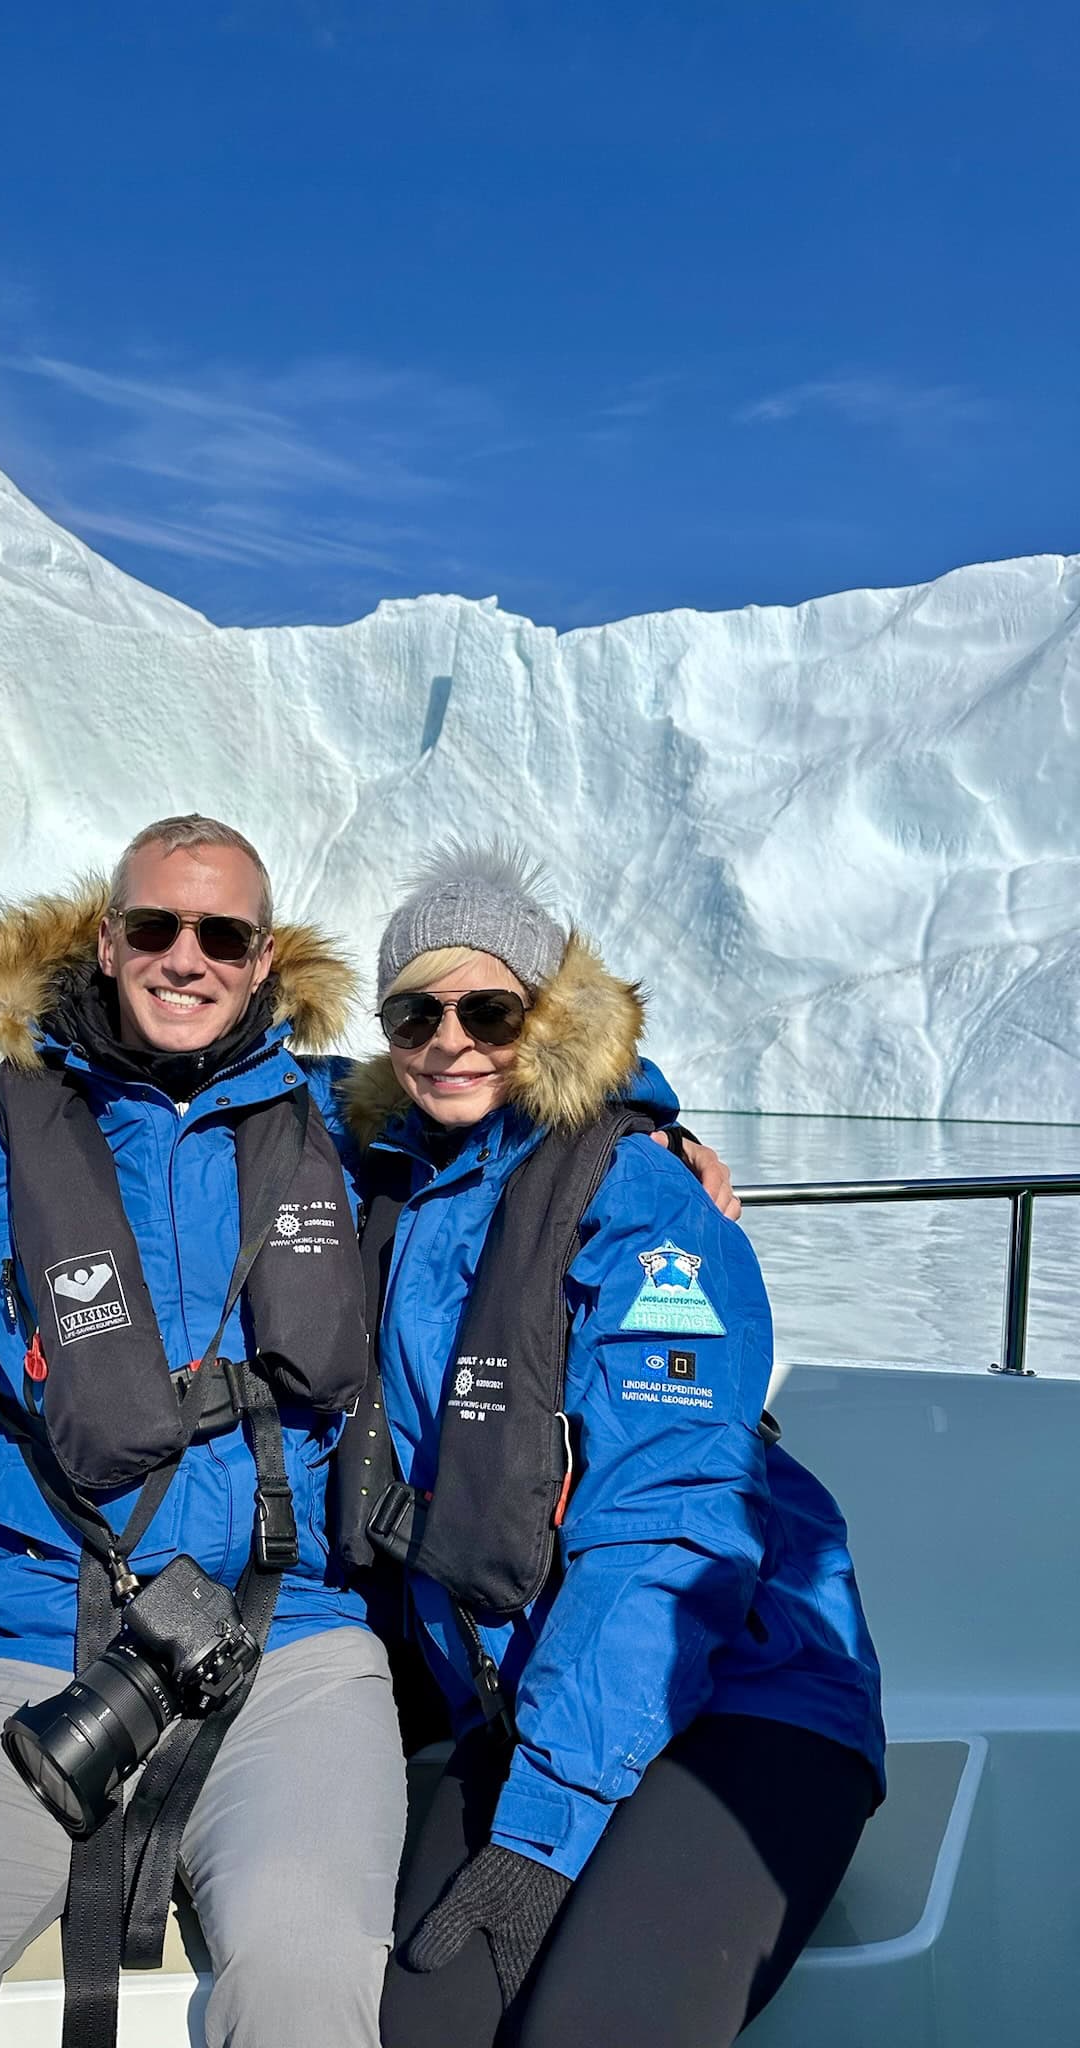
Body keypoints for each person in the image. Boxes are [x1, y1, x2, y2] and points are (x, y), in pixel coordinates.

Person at [0, 814, 734, 2048]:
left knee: (310, 1998)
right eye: (155, 926)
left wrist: (652, 1129)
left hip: (296, 1660)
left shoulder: (347, 1135)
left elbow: (521, 1099)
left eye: (223, 934)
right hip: (26, 1649)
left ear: (266, 961)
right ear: (106, 944)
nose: (185, 956)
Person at [331, 845, 886, 2048]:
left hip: (744, 1694)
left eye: (491, 1007)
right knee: (413, 2028)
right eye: (414, 1012)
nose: (452, 1039)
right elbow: (211, 1075)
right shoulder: (398, 1174)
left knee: (589, 2029)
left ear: (549, 1013)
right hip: (525, 1696)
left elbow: (675, 1523)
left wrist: (544, 1829)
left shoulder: (643, 1202)